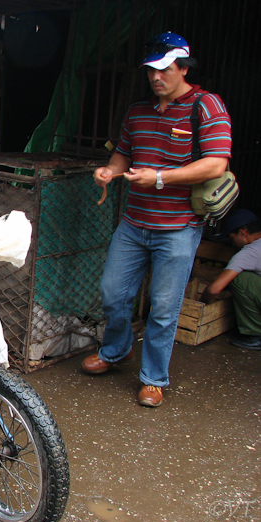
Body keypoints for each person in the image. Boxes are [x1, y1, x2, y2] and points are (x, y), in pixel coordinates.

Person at [81, 32, 232, 407]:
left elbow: (216, 163)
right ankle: (117, 350)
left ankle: (153, 378)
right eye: (151, 70)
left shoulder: (206, 106)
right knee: (113, 293)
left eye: (164, 70)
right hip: (134, 224)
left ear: (183, 68)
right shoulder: (137, 111)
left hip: (179, 227)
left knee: (164, 308)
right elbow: (124, 155)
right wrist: (109, 171)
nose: (155, 77)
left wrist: (160, 177)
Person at [200, 209, 261, 350]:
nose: (233, 243)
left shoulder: (249, 252)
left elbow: (215, 289)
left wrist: (202, 302)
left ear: (242, 233)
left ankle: (256, 335)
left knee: (240, 278)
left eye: (232, 238)